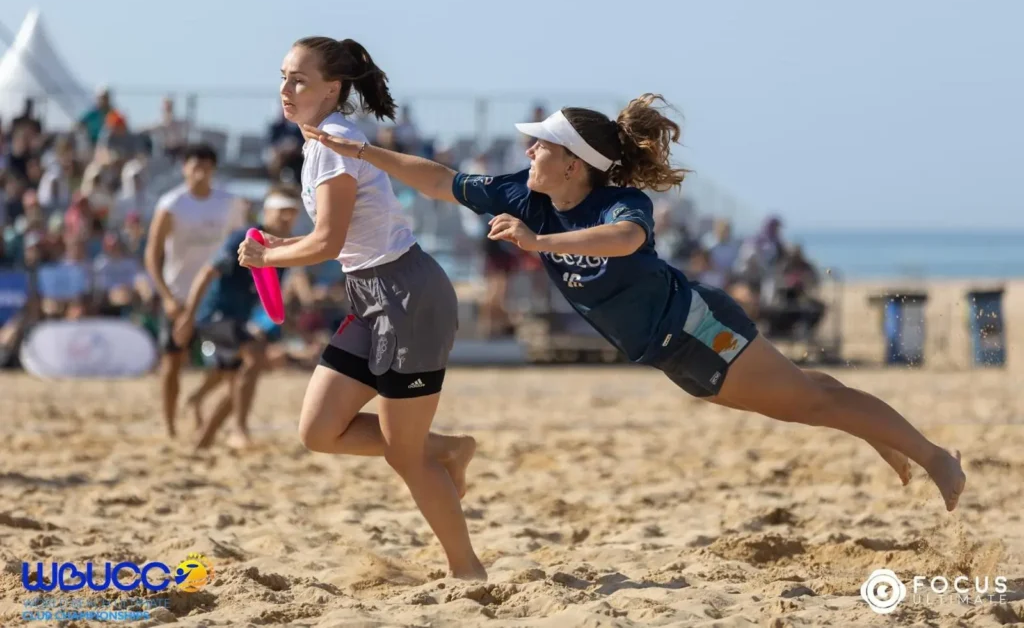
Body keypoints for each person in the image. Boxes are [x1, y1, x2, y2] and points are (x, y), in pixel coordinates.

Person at [301, 93, 967, 513]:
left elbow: (626, 240)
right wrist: (365, 152)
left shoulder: (618, 203)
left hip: (696, 329)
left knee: (810, 401)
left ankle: (937, 457)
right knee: (811, 394)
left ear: (573, 163)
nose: (528, 149)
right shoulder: (522, 192)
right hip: (669, 348)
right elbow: (441, 181)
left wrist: (541, 241)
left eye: (541, 144)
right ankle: (883, 435)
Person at [235, 36, 484, 579]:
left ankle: (467, 570)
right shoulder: (318, 142)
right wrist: (279, 248)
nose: (285, 88)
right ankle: (449, 449)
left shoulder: (336, 141)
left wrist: (269, 257)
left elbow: (327, 242)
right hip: (370, 292)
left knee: (404, 455)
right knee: (319, 430)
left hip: (408, 295)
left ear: (332, 88)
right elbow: (337, 239)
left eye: (299, 80)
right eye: (283, 77)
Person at [175, 185, 303, 449]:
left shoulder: (284, 248)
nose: (286, 217)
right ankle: (238, 430)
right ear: (266, 211)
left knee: (234, 373)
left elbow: (268, 293)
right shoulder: (243, 239)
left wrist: (277, 321)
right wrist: (188, 316)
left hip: (241, 318)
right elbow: (206, 274)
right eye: (281, 211)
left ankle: (204, 430)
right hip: (215, 314)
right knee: (252, 359)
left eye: (291, 211)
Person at [144, 143, 247, 439]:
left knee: (231, 363)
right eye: (195, 165)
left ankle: (202, 402)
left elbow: (240, 245)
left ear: (213, 169)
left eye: (206, 165)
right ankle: (169, 425)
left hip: (215, 296)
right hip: (179, 293)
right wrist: (166, 297)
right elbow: (152, 254)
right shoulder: (172, 204)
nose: (200, 172)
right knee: (172, 360)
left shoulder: (229, 202)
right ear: (184, 168)